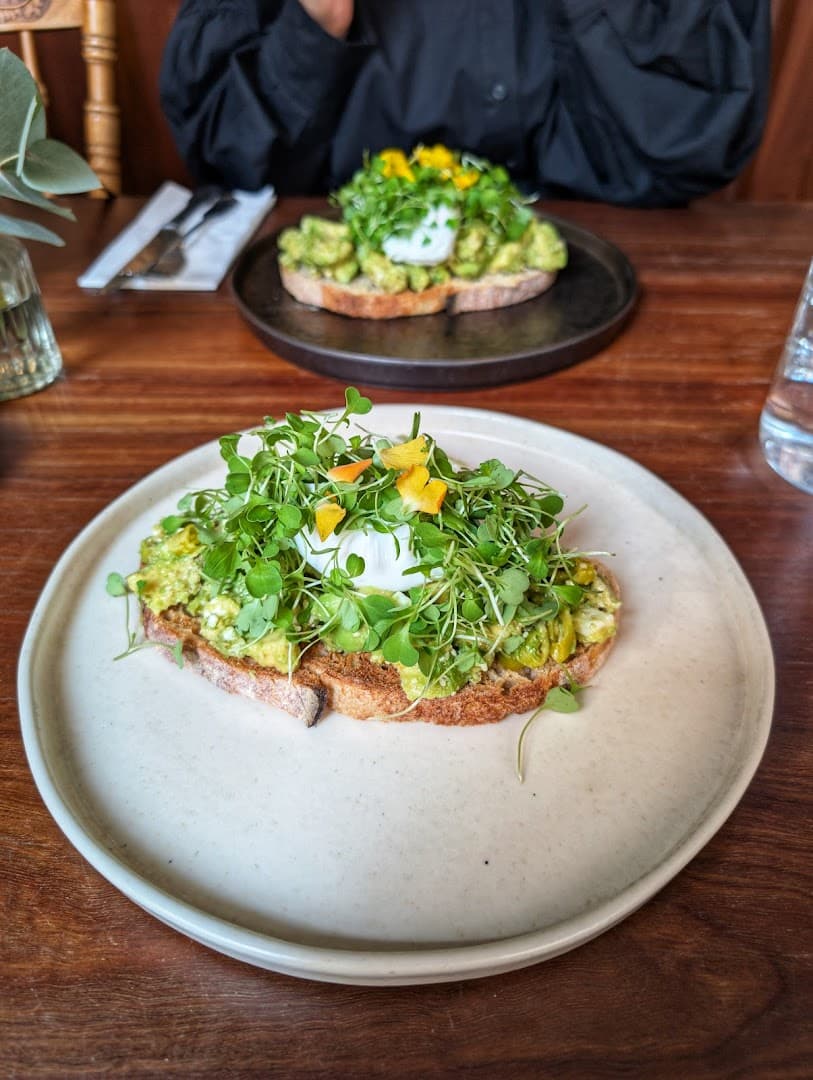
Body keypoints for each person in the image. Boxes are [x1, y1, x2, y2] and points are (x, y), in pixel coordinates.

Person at [159, 0, 770, 206]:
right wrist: (320, 17)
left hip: (608, 291)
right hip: (326, 328)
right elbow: (229, 166)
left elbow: (695, 150)